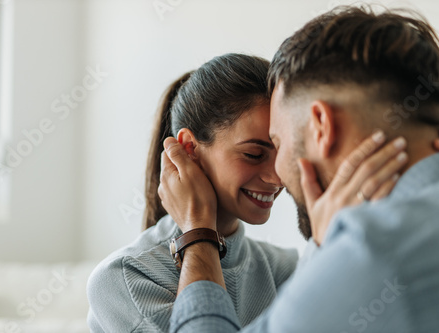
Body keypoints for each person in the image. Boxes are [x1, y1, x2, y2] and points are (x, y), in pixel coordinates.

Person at [158, 6, 439, 333]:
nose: (276, 173)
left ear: (321, 126)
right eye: (254, 152)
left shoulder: (372, 252)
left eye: (277, 141)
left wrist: (198, 234)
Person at [86, 53, 405, 332]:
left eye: (281, 152)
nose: (276, 176)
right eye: (254, 154)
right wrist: (198, 229)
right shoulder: (125, 278)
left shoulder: (286, 268)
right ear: (189, 149)